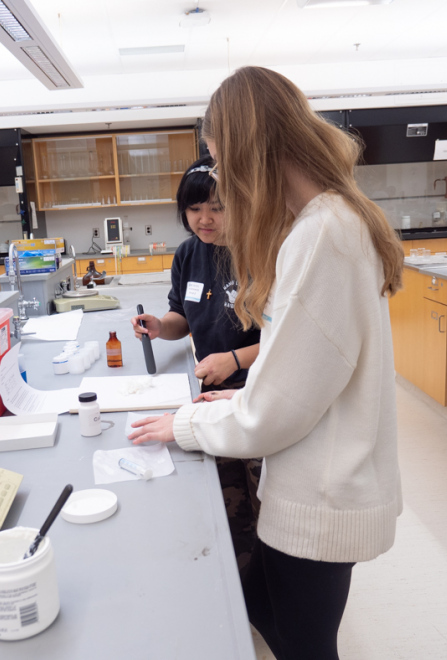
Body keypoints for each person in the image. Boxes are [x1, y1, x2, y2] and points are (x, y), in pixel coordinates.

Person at [129, 66, 405, 660]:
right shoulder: (330, 220)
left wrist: (185, 424)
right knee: (267, 611)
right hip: (320, 481)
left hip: (320, 494)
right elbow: (311, 366)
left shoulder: (320, 235)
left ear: (247, 150)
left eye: (219, 158)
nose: (220, 178)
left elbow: (278, 413)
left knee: (302, 644)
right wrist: (245, 397)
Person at [131, 156, 262, 573]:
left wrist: (235, 359)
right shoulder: (188, 254)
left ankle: (270, 578)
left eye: (217, 208)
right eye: (194, 209)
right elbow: (182, 318)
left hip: (257, 394)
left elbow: (287, 339)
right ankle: (241, 579)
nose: (205, 219)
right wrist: (159, 326)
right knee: (226, 495)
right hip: (210, 393)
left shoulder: (259, 253)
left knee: (264, 496)